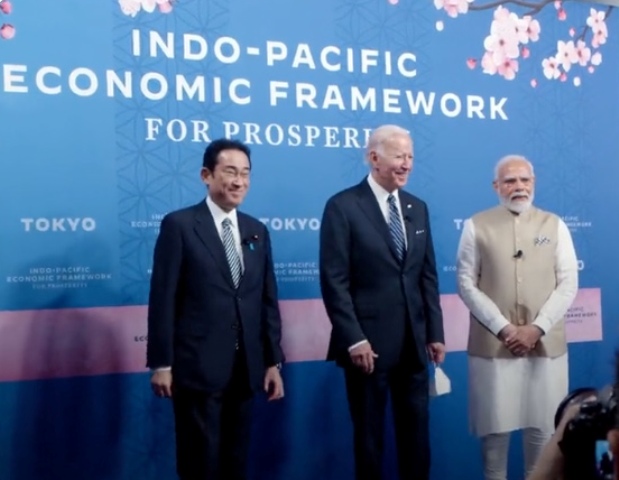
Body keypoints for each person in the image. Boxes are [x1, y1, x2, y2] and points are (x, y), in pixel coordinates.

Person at [146, 138, 285, 480]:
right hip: (197, 368)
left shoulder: (256, 231)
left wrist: (272, 361)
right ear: (206, 175)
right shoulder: (180, 225)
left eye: (246, 174)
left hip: (246, 369)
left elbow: (266, 299)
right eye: (230, 172)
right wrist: (162, 363)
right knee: (200, 464)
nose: (239, 181)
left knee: (235, 462)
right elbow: (163, 298)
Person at [319, 124, 446, 480]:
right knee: (370, 439)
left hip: (413, 346)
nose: (406, 164)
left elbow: (427, 276)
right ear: (374, 158)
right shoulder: (343, 206)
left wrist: (434, 332)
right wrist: (354, 339)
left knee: (417, 439)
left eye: (410, 157)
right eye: (398, 156)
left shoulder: (416, 208)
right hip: (367, 348)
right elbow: (334, 281)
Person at [456, 154, 579, 480]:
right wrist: (504, 328)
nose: (518, 186)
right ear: (496, 186)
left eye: (525, 180)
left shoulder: (555, 225)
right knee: (495, 436)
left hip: (545, 345)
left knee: (542, 432)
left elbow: (568, 282)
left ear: (533, 183)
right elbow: (466, 283)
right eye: (510, 181)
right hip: (494, 347)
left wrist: (536, 328)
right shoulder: (475, 225)